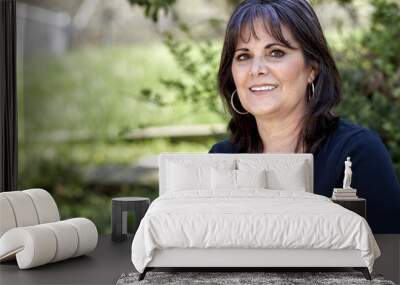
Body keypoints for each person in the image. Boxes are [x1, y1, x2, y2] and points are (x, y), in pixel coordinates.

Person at [209, 0, 400, 234]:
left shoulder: (357, 154)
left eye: (276, 52)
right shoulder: (221, 159)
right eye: (243, 56)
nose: (256, 69)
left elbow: (389, 263)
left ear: (312, 68)